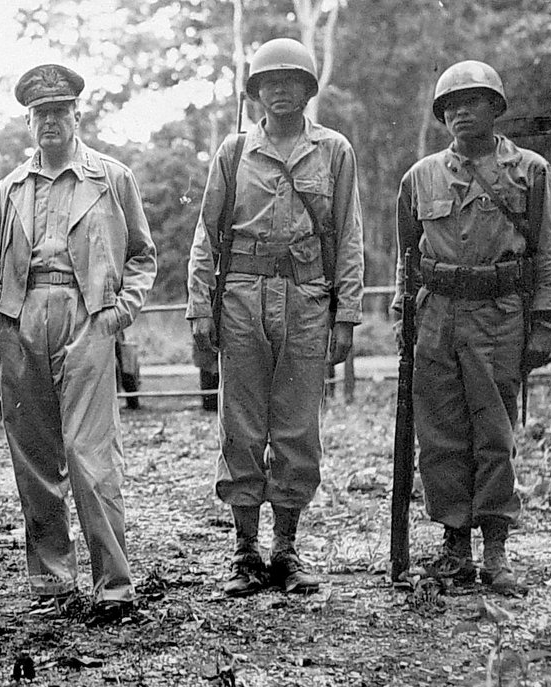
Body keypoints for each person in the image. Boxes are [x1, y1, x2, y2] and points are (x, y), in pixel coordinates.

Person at [187, 38, 364, 597]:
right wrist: (200, 310)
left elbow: (349, 235)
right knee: (240, 424)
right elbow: (206, 236)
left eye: (292, 81)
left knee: (295, 426)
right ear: (255, 92)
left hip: (308, 297)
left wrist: (347, 315)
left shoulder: (333, 150)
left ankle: (286, 550)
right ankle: (244, 552)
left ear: (308, 89)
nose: (280, 91)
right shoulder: (234, 153)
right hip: (241, 295)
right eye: (269, 82)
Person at [0, 64, 157, 624]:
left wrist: (117, 313)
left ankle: (114, 585)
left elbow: (142, 256)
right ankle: (52, 584)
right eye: (41, 114)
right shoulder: (11, 188)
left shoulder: (112, 178)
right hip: (23, 317)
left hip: (89, 317)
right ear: (29, 121)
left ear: (77, 115)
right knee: (35, 456)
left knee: (91, 454)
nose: (50, 122)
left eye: (60, 111)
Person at [393, 60, 551, 594]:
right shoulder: (420, 176)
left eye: (473, 101)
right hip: (438, 315)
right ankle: (454, 546)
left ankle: (495, 549)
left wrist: (542, 323)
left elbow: (550, 251)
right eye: (450, 105)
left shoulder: (530, 170)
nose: (460, 112)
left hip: (499, 315)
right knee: (441, 434)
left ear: (496, 108)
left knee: (493, 432)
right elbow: (407, 257)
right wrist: (405, 317)